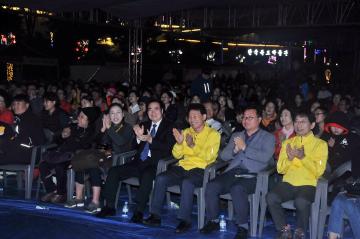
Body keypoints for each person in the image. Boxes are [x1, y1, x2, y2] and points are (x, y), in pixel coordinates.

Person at [143, 103, 220, 233]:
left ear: (204, 117)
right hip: (183, 167)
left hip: (201, 169)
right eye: (190, 117)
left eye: (195, 116)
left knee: (187, 183)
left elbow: (209, 157)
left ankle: (185, 220)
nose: (192, 119)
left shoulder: (213, 134)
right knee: (161, 178)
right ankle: (155, 216)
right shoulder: (185, 132)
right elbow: (176, 154)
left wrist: (193, 145)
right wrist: (179, 143)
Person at [200, 106, 275, 239]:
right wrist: (234, 151)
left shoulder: (268, 137)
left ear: (258, 120)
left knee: (237, 188)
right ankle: (213, 221)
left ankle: (242, 226)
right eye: (244, 117)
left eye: (250, 117)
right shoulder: (237, 135)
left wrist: (245, 147)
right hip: (233, 171)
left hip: (253, 174)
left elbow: (265, 157)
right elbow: (223, 156)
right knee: (212, 185)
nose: (246, 120)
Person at [95, 99, 175, 222]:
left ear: (162, 111)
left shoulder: (169, 126)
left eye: (156, 109)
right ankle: (109, 206)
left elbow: (169, 148)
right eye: (150, 109)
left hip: (156, 164)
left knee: (147, 175)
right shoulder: (145, 124)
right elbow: (133, 146)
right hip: (138, 161)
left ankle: (139, 211)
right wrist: (138, 139)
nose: (152, 112)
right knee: (114, 171)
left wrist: (151, 140)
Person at [266, 111, 328, 239]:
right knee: (271, 197)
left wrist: (303, 157)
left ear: (312, 125)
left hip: (308, 184)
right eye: (296, 122)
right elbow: (280, 170)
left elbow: (319, 171)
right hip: (288, 183)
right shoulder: (288, 143)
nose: (299, 125)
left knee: (301, 201)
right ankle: (283, 229)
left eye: (303, 122)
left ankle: (300, 232)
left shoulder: (320, 144)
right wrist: (289, 158)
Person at [65, 103, 134, 213]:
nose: (115, 116)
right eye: (112, 113)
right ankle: (79, 198)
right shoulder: (108, 127)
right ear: (109, 116)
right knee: (82, 163)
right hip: (105, 157)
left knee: (94, 166)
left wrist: (109, 129)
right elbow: (98, 144)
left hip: (120, 160)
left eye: (118, 113)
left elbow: (120, 143)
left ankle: (96, 202)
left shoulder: (128, 128)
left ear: (123, 115)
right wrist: (102, 129)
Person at [39, 107, 99, 204]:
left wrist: (76, 138)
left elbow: (86, 147)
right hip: (62, 155)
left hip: (75, 158)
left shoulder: (91, 133)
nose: (78, 118)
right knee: (43, 166)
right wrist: (62, 135)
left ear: (89, 121)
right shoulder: (73, 127)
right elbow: (56, 139)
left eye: (82, 117)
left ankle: (61, 193)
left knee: (59, 167)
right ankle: (51, 190)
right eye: (79, 116)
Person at [0, 94, 45, 165]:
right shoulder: (18, 119)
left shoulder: (31, 119)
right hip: (20, 150)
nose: (15, 106)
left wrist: (6, 142)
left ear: (27, 105)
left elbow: (23, 140)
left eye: (18, 103)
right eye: (14, 104)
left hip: (29, 153)